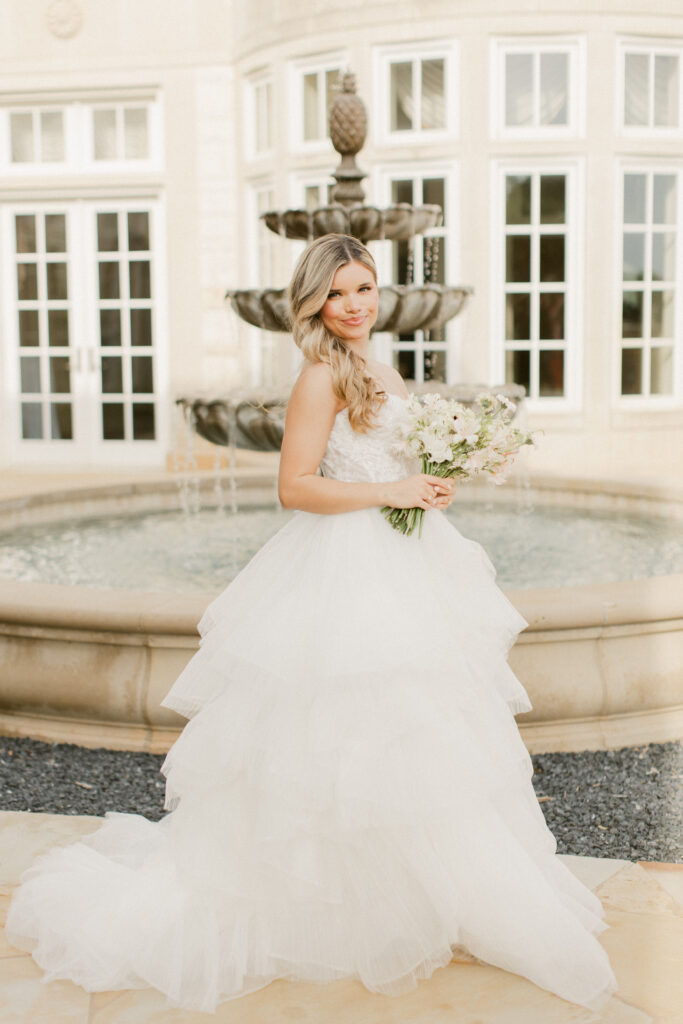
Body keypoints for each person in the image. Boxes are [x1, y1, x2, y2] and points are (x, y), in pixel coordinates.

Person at [5, 234, 617, 1014]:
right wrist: (389, 491)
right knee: (336, 741)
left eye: (364, 287)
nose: (356, 304)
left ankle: (413, 893)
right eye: (338, 293)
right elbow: (295, 487)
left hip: (407, 565)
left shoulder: (379, 367)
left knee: (414, 741)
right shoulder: (319, 375)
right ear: (314, 304)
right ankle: (331, 910)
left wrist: (429, 485)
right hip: (344, 573)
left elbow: (392, 459)